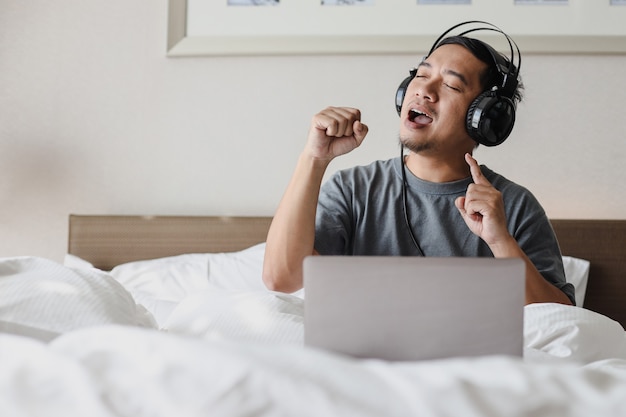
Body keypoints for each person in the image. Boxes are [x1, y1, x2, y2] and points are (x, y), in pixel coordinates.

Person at [262, 21, 575, 306]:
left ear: (484, 117)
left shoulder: (513, 206)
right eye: (421, 75)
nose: (424, 90)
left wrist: (500, 240)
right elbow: (283, 278)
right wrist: (314, 158)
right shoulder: (353, 189)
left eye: (451, 85)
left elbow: (558, 318)